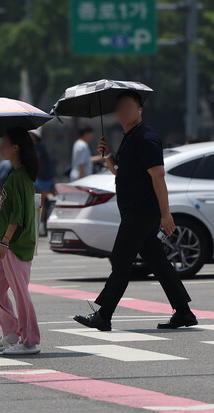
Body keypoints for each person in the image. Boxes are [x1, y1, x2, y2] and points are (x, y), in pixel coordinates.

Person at [74, 91, 196, 332]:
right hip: (136, 212)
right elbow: (122, 173)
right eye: (118, 108)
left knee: (121, 259)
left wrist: (166, 214)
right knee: (158, 263)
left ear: (139, 109)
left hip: (141, 213)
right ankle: (184, 312)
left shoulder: (145, 138)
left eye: (126, 107)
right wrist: (107, 155)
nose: (120, 112)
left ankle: (104, 314)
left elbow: (158, 176)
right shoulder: (130, 138)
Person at [0, 127, 41, 355]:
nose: (1, 147)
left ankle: (29, 341)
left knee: (20, 292)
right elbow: (13, 205)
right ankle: (10, 330)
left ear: (16, 147)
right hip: (7, 242)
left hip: (15, 244)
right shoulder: (17, 174)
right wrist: (1, 192)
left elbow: (17, 215)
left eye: (5, 142)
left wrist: (5, 242)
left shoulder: (20, 176)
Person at [30, 128, 55, 236]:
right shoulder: (37, 146)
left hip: (43, 178)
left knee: (39, 202)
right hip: (41, 178)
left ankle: (40, 226)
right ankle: (38, 225)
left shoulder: (39, 147)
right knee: (38, 202)